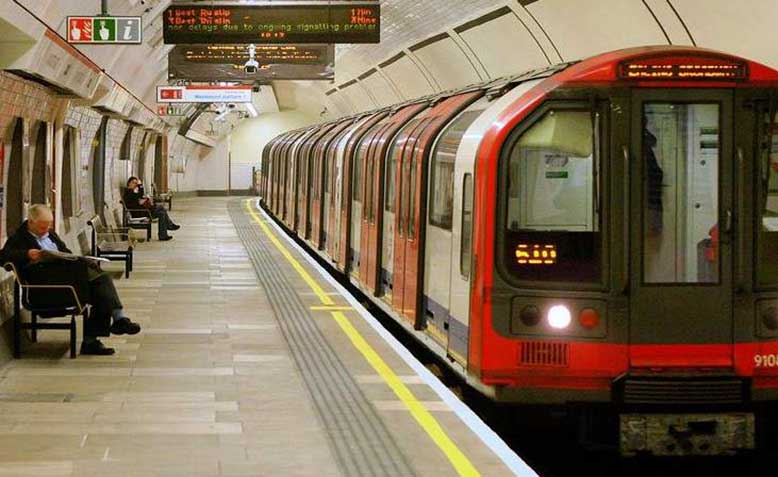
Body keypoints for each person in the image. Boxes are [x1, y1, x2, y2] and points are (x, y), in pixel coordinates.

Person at [0, 204, 141, 355]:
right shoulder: (19, 238)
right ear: (31, 222)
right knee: (101, 283)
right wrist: (27, 254)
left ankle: (102, 333)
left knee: (100, 287)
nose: (45, 230)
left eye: (48, 226)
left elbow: (66, 253)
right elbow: (3, 257)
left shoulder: (51, 235)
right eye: (42, 227)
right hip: (46, 288)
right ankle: (108, 327)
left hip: (68, 282)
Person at [123, 177, 179, 241]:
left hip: (142, 211)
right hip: (139, 213)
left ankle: (164, 233)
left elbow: (138, 198)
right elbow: (139, 196)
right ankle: (168, 228)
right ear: (129, 183)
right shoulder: (129, 192)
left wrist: (142, 200)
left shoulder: (131, 192)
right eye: (133, 183)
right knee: (161, 209)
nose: (135, 184)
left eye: (136, 183)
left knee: (162, 212)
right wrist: (140, 185)